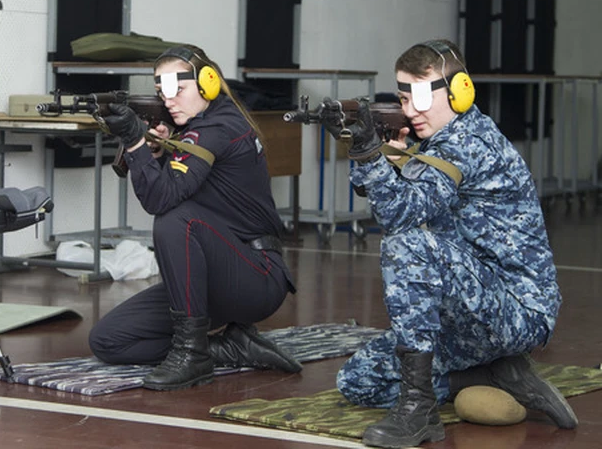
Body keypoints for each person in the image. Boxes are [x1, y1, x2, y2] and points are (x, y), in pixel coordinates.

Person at [321, 39, 577, 447]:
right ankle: (485, 374)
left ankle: (419, 408)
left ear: (461, 90)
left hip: (515, 312)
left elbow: (401, 216)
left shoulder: (468, 142)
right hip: (467, 311)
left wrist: (371, 155)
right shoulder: (437, 142)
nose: (411, 109)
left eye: (422, 96)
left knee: (407, 244)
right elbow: (399, 196)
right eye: (404, 96)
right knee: (358, 381)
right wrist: (376, 152)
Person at [89, 45, 299, 391]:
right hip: (212, 275)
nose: (169, 100)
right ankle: (225, 348)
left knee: (175, 218)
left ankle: (192, 355)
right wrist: (155, 151)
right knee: (109, 341)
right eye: (161, 92)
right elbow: (168, 188)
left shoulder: (218, 127)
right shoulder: (193, 129)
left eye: (178, 89)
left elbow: (162, 200)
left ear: (208, 83)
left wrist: (135, 143)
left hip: (257, 275)